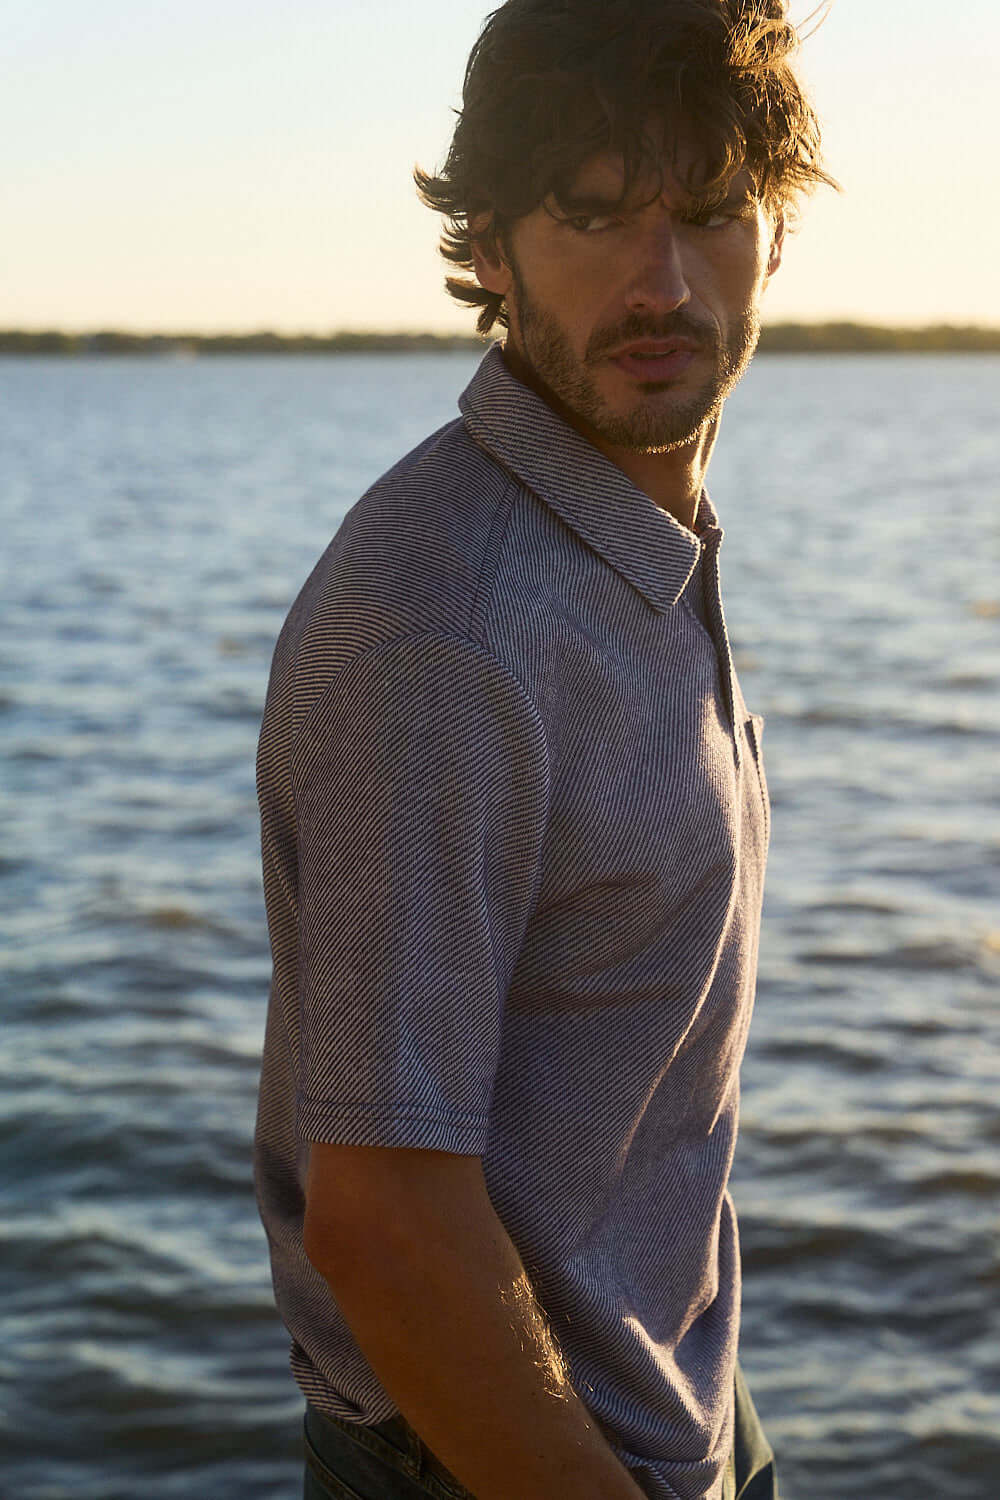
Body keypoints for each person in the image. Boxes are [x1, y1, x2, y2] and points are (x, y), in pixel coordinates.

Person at [253, 2, 839, 1497]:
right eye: (591, 214)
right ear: (491, 248)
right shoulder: (448, 622)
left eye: (708, 212)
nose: (661, 282)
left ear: (773, 232)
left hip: (677, 1395)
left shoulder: (626, 542)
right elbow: (384, 1224)